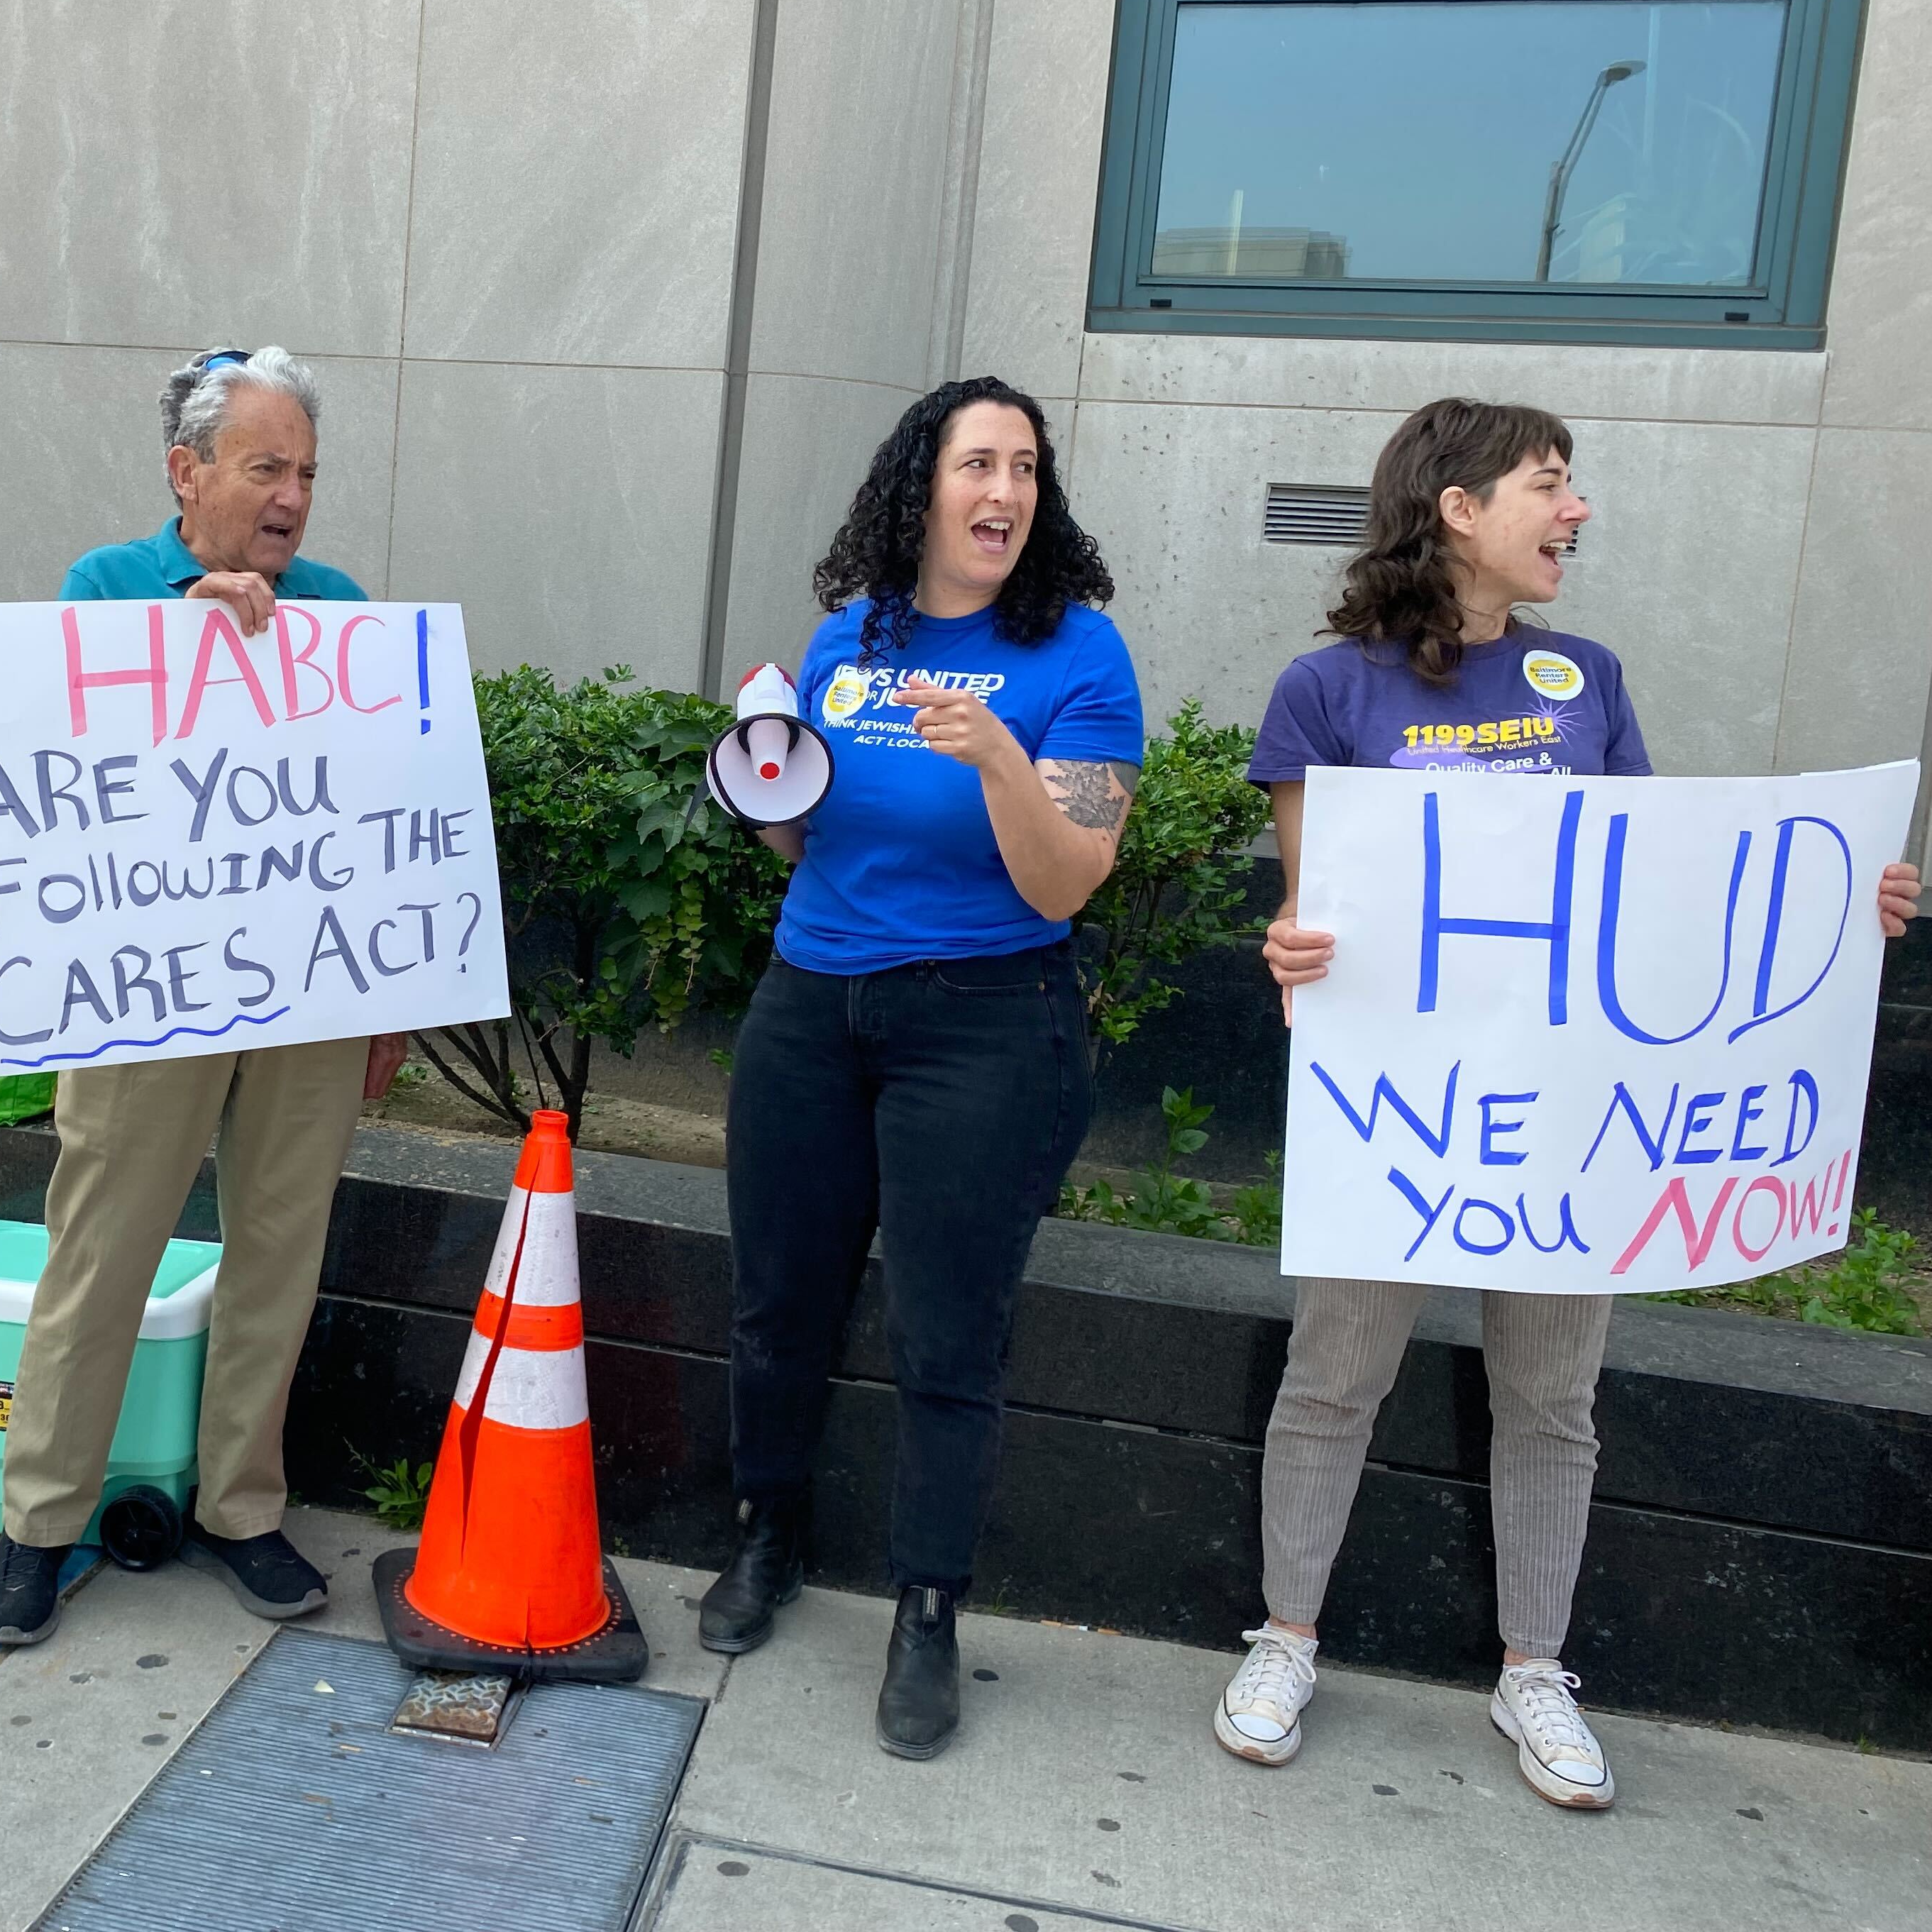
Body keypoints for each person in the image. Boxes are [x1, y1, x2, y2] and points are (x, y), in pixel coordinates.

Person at [1213, 396, 1919, 1810]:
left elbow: (1655, 892)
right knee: (1335, 1377)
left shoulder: (1585, 680)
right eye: (1551, 483)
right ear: (1460, 505)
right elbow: (1316, 916)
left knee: (1555, 1397)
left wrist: (1838, 911)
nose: (1576, 510)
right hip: (1403, 1124)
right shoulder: (1330, 693)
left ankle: (1535, 1669)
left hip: (1568, 1129)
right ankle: (1285, 1638)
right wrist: (1291, 947)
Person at [700, 375, 1144, 1760]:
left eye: (1024, 467)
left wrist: (1006, 757)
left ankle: (928, 1608)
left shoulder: (1082, 656)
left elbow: (1067, 878)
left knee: (949, 1332)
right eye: (977, 465)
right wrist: (756, 772)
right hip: (812, 1004)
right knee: (779, 1303)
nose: (1003, 491)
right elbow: (802, 834)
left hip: (986, 1024)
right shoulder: (854, 637)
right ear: (923, 488)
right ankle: (769, 1537)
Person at [0, 346, 408, 1646]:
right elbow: (65, 778)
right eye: (266, 466)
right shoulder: (103, 590)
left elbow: (377, 816)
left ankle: (243, 1507)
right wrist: (182, 637)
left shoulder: (340, 608)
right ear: (189, 471)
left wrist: (382, 1000)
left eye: (309, 473)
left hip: (305, 999)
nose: (292, 497)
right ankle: (39, 1524)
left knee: (280, 1248)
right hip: (142, 995)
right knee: (102, 1245)